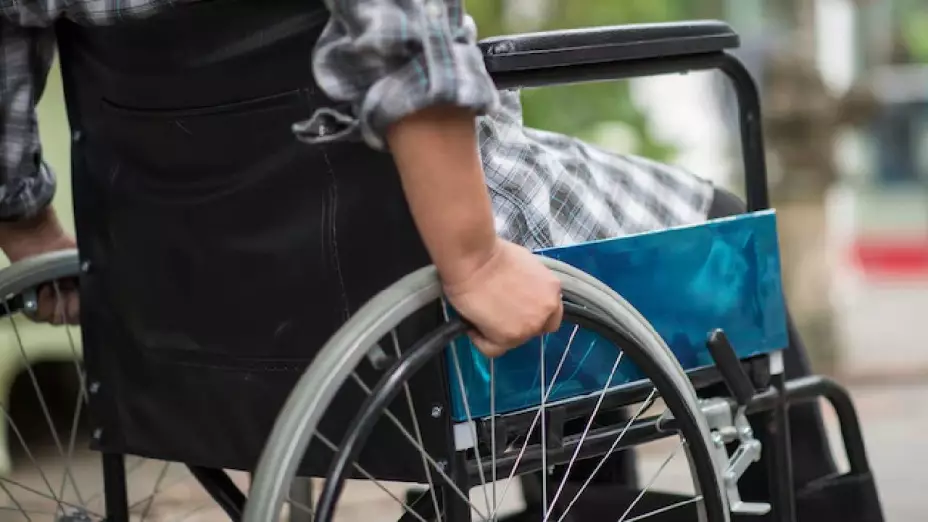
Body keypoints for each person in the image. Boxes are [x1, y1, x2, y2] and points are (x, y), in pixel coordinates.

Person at [0, 0, 834, 497]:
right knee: (724, 238)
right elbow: (407, 49)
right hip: (411, 237)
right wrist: (473, 260)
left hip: (189, 293)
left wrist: (30, 229)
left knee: (575, 331)